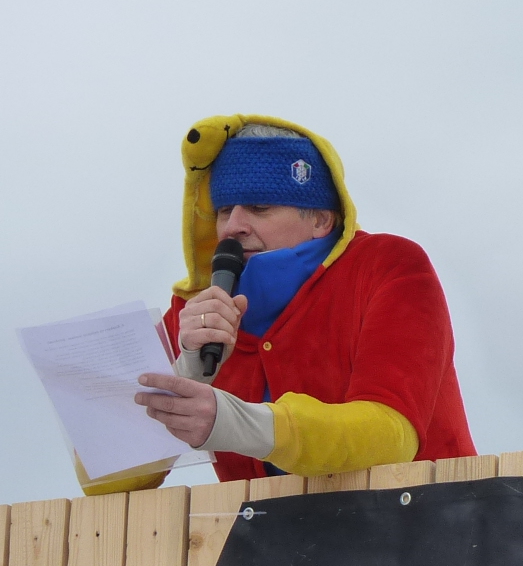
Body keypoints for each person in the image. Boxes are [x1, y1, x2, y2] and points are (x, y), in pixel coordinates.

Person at [82, 114, 474, 493]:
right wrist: (185, 373)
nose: (232, 227)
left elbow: (390, 435)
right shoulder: (192, 318)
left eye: (260, 208)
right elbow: (102, 478)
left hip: (439, 523)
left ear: (321, 220)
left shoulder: (388, 266)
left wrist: (236, 423)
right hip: (271, 537)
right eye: (223, 210)